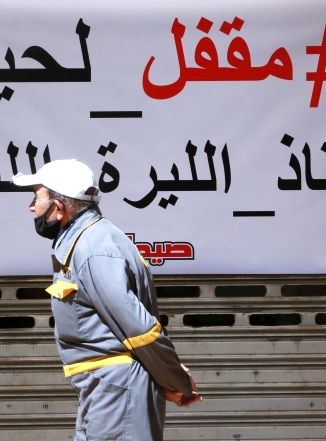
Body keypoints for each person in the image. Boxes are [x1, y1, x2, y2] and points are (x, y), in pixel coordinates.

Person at [12, 159, 202, 441]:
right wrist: (170, 376)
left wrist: (175, 379)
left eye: (36, 197)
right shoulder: (86, 241)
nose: (31, 207)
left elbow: (138, 329)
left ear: (58, 207)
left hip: (117, 395)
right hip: (103, 391)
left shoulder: (94, 249)